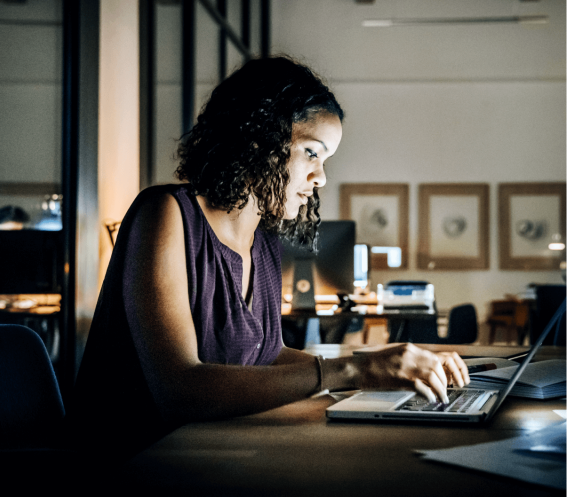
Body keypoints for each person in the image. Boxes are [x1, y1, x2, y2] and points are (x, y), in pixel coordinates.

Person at [66, 56, 469, 464]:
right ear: (258, 140)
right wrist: (350, 372)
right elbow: (179, 390)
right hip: (134, 463)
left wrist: (379, 366)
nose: (321, 178)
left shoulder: (263, 241)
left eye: (325, 160)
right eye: (312, 153)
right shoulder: (165, 213)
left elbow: (268, 354)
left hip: (214, 452)